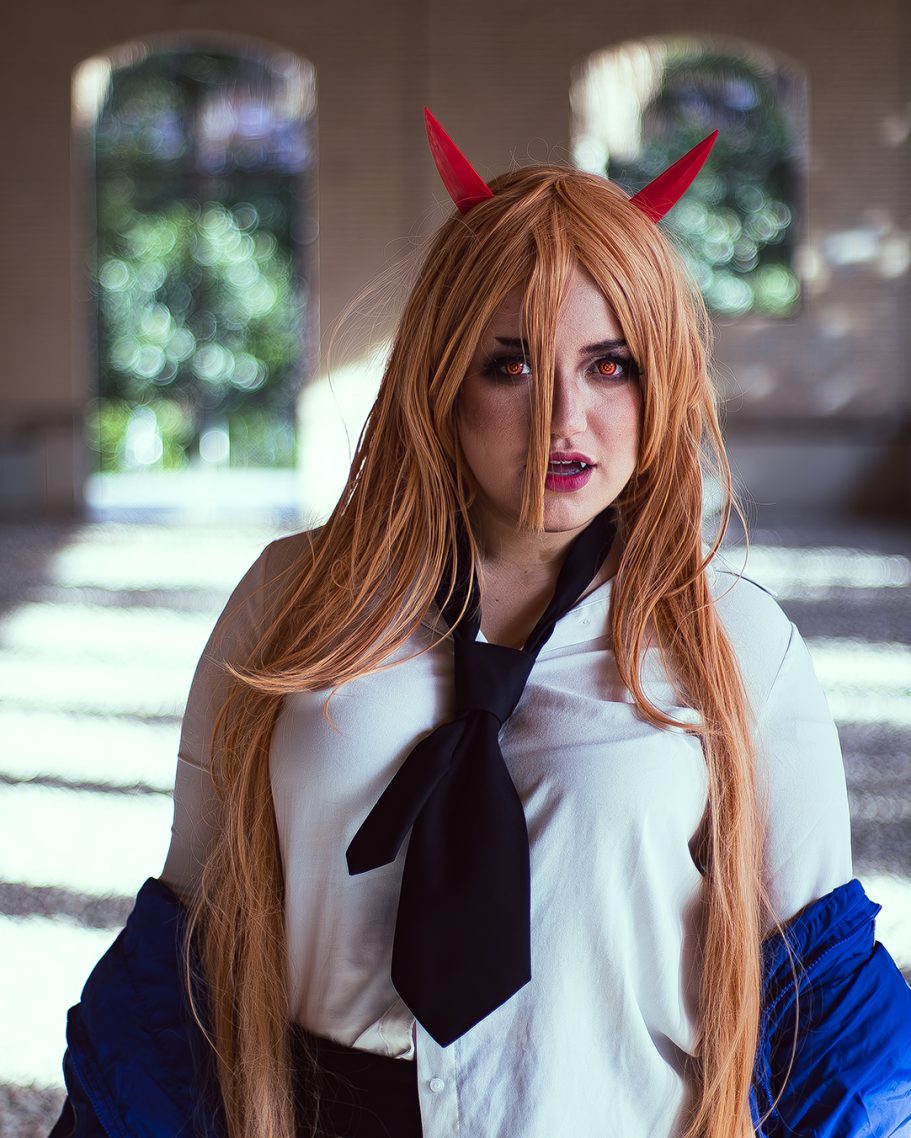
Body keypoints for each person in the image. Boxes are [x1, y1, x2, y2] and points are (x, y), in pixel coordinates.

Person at [50, 110, 911, 1138]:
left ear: (661, 379)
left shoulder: (734, 641)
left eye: (609, 365)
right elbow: (186, 948)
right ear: (440, 380)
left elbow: (821, 1000)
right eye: (509, 366)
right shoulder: (290, 601)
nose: (563, 419)